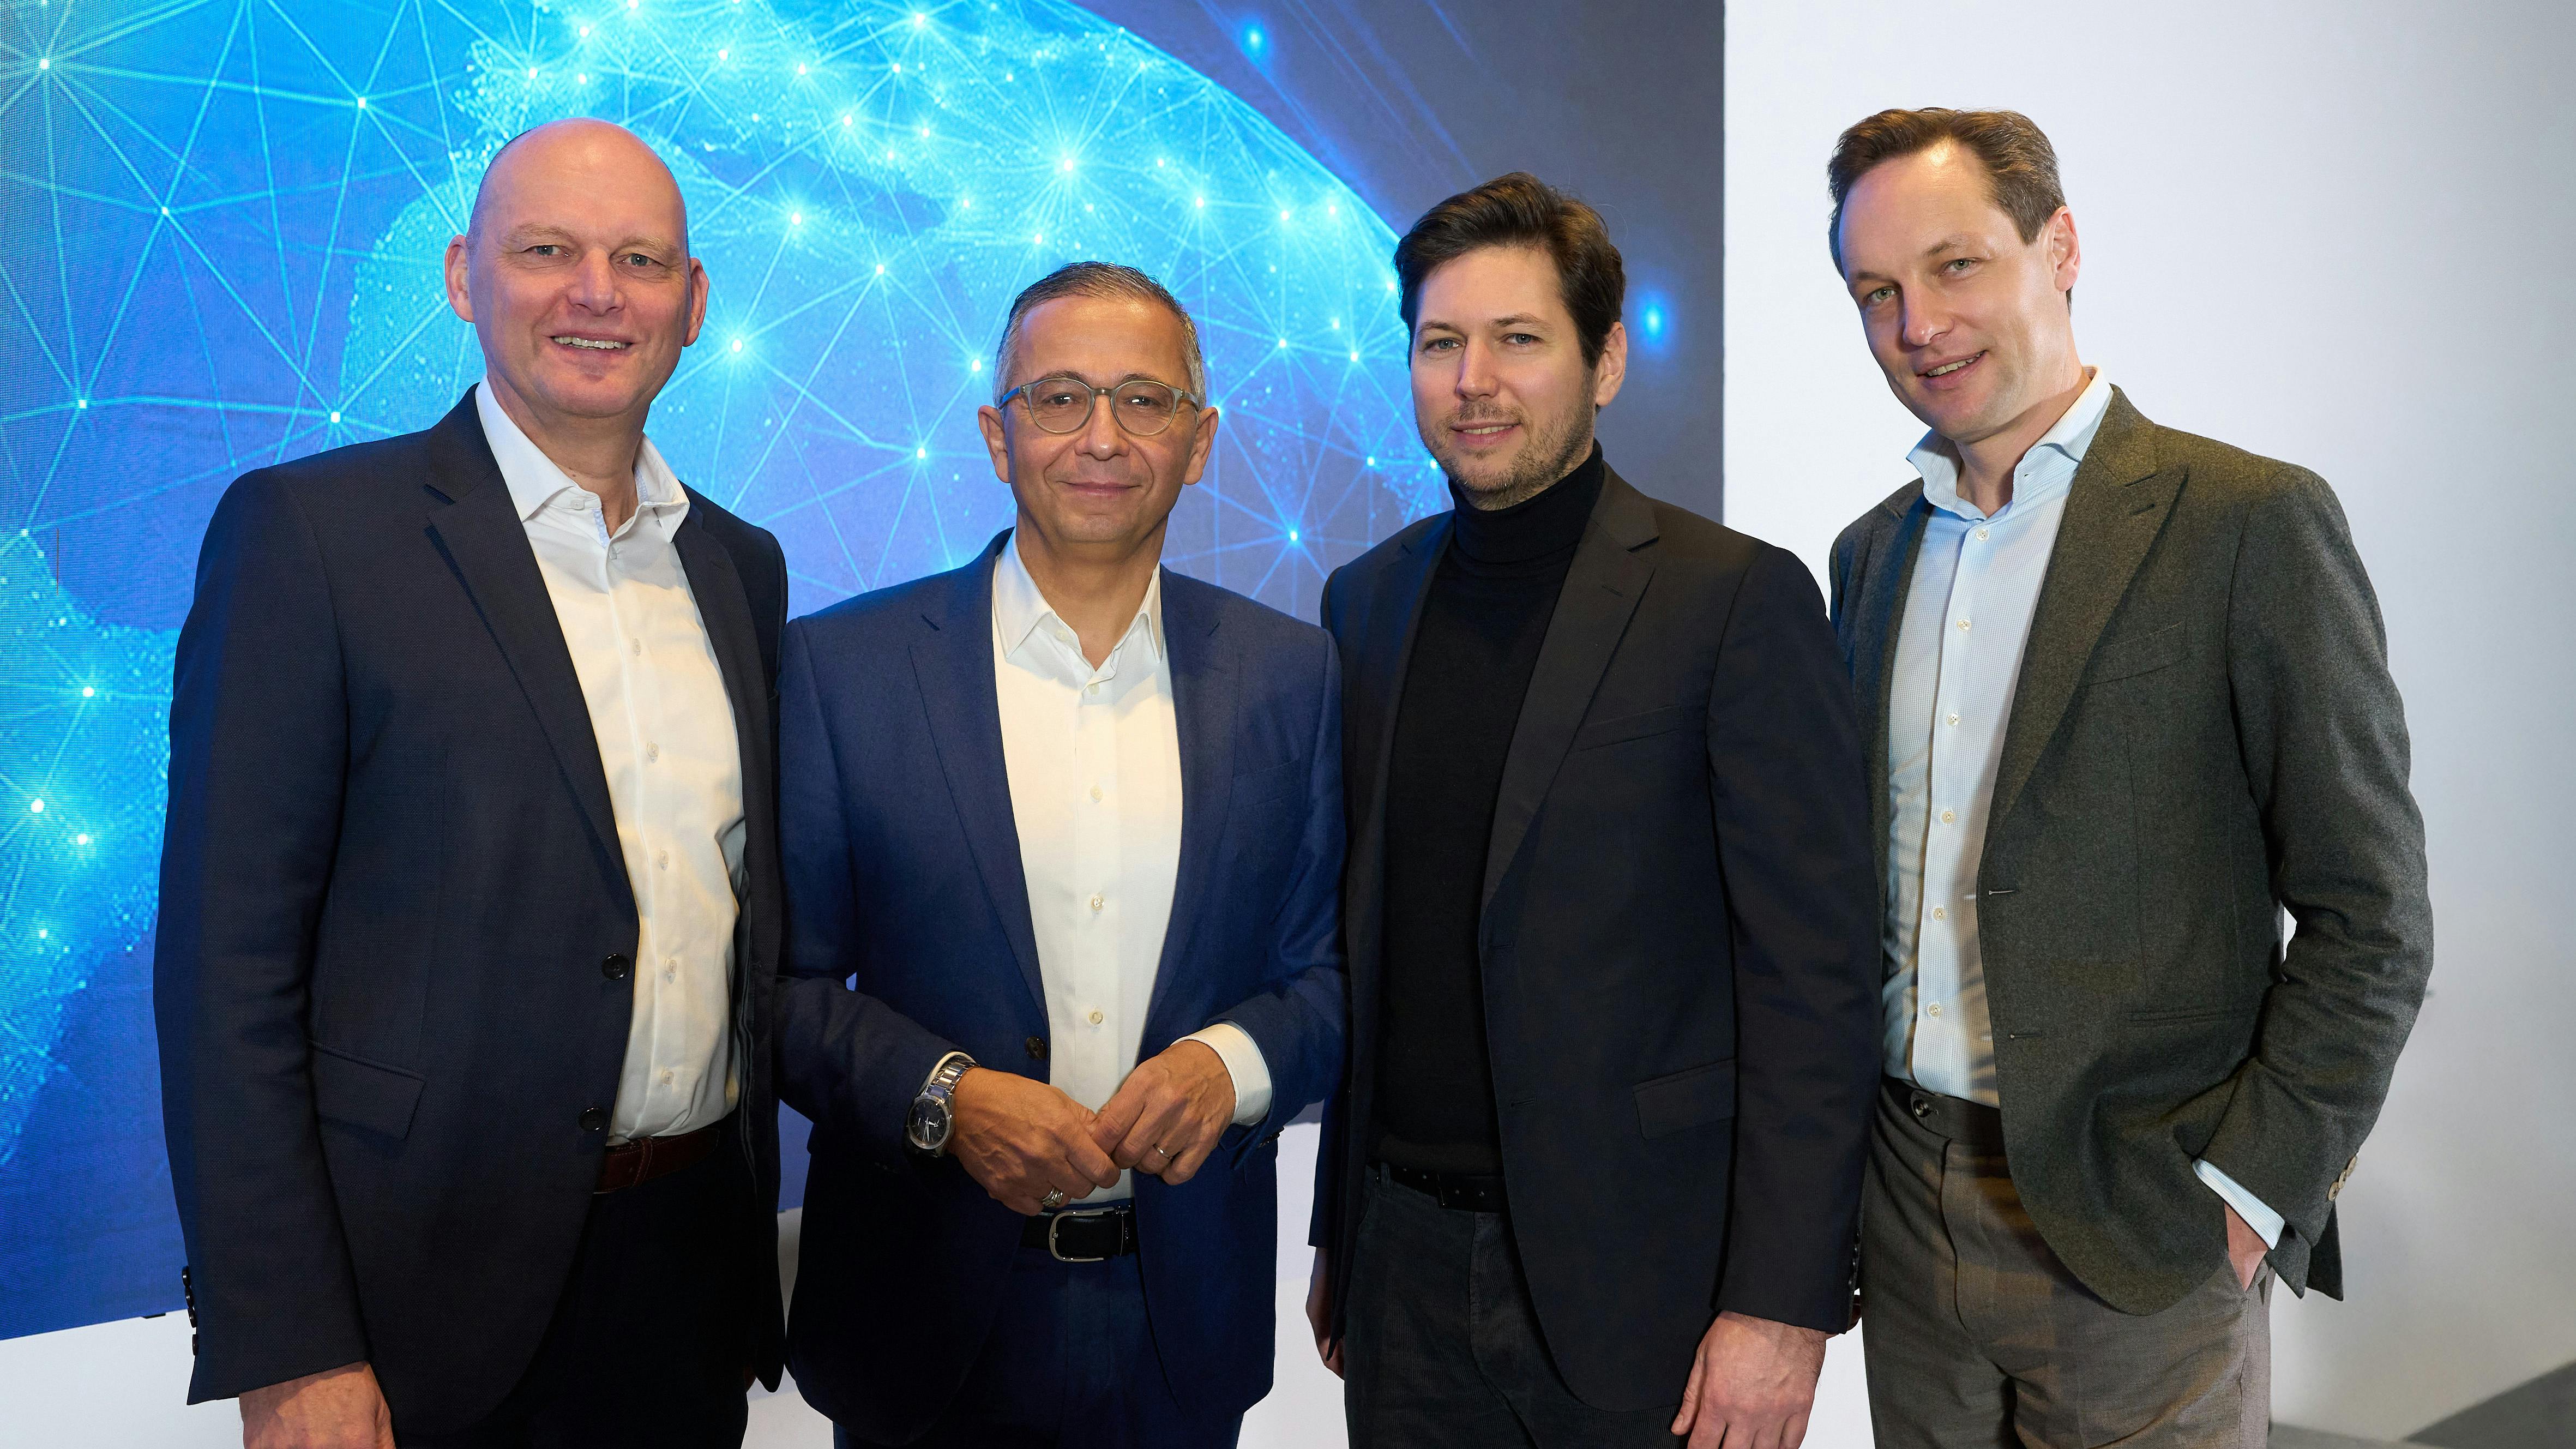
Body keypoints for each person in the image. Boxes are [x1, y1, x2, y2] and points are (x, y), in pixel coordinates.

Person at [154, 118, 787, 1448]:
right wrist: (292, 1346)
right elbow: (227, 977)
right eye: (545, 250)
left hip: (686, 1284)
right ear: (462, 275)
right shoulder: (313, 537)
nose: (596, 293)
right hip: (412, 1317)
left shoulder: (741, 565)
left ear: (694, 303)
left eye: (640, 259)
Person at [1822, 107, 2434, 1445]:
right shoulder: (1867, 560)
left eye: (1955, 265)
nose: (1917, 323)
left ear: (2060, 246)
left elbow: (2371, 915)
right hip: (1904, 1212)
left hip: (2140, 1229)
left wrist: (2247, 1197)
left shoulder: (2245, 521)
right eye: (1876, 291)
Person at [1305, 172, 1882, 1449]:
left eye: (1519, 340)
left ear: (1605, 360)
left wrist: (1780, 1308)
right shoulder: (1365, 604)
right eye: (1440, 344)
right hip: (1399, 1268)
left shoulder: (1732, 599)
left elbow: (1816, 979)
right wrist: (1338, 1230)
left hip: (1651, 1290)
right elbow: (1369, 937)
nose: (1474, 380)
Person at [774, 261, 1346, 1448]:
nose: (1101, 437)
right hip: (918, 1316)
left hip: (1178, 1322)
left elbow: (1331, 975)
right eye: (1058, 397)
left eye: (1145, 400)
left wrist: (1230, 1067)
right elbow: (778, 992)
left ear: (1199, 441)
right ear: (995, 435)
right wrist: (944, 1098)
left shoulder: (1291, 675)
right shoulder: (842, 670)